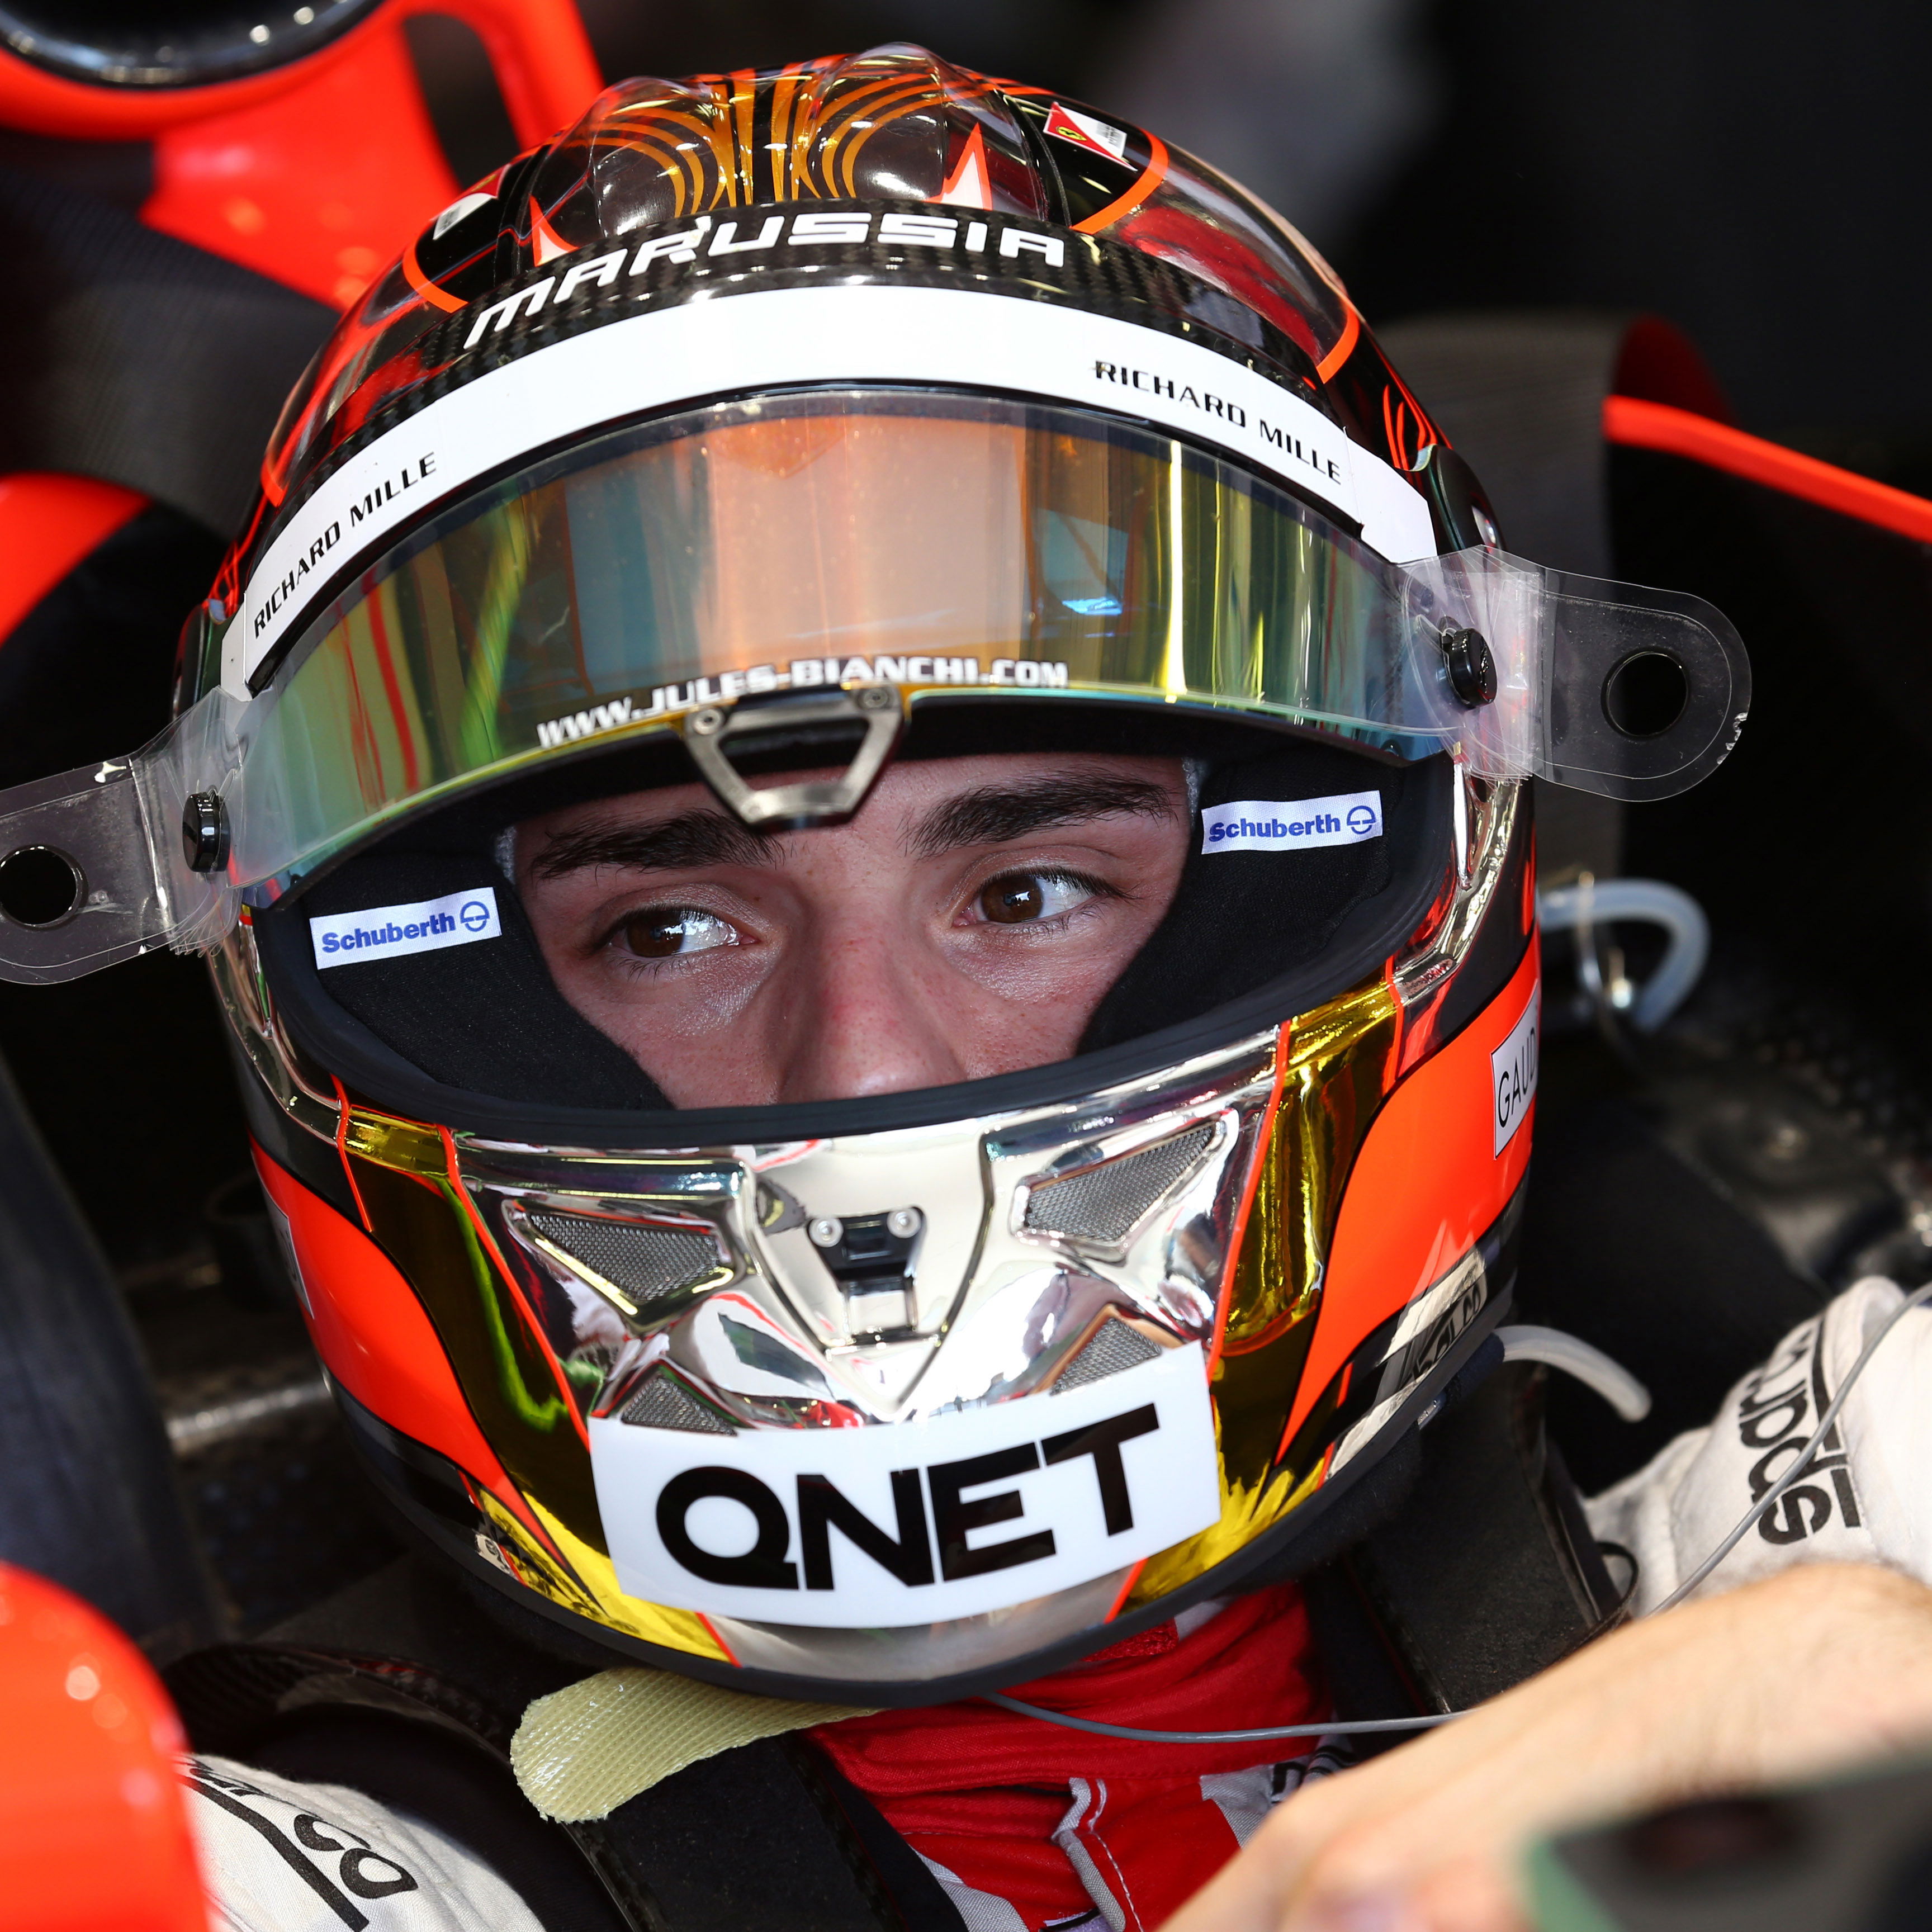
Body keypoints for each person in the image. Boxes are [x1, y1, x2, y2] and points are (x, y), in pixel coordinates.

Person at [6, 42, 1916, 1932]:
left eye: (1027, 889)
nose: (868, 1069)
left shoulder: (1834, 1517)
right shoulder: (255, 1876)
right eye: (671, 930)